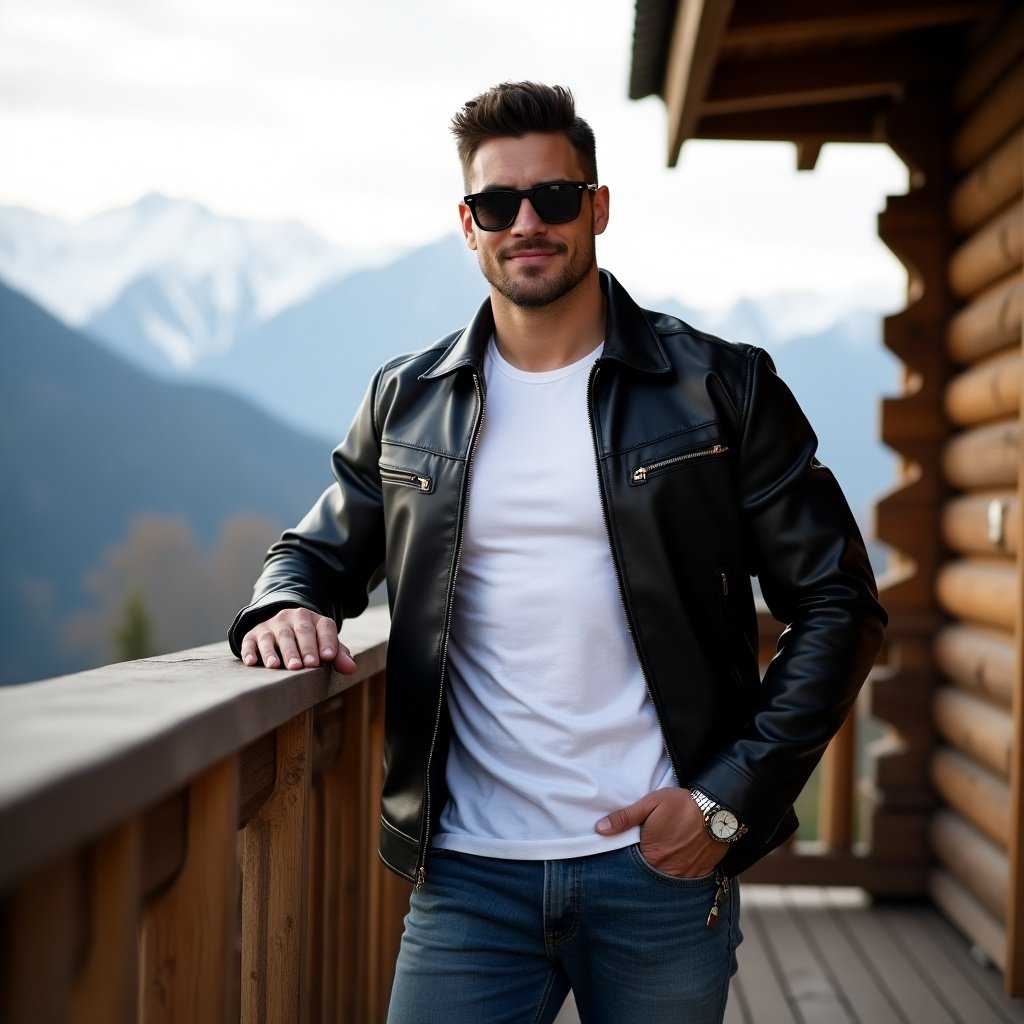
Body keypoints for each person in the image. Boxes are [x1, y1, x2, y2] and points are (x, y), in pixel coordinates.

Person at [229, 81, 886, 1024]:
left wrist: (725, 804)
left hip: (658, 869)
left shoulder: (719, 388)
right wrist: (285, 603)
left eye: (555, 198)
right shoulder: (408, 400)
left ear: (599, 208)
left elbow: (838, 604)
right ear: (469, 223)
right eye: (499, 203)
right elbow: (316, 547)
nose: (527, 222)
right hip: (465, 879)